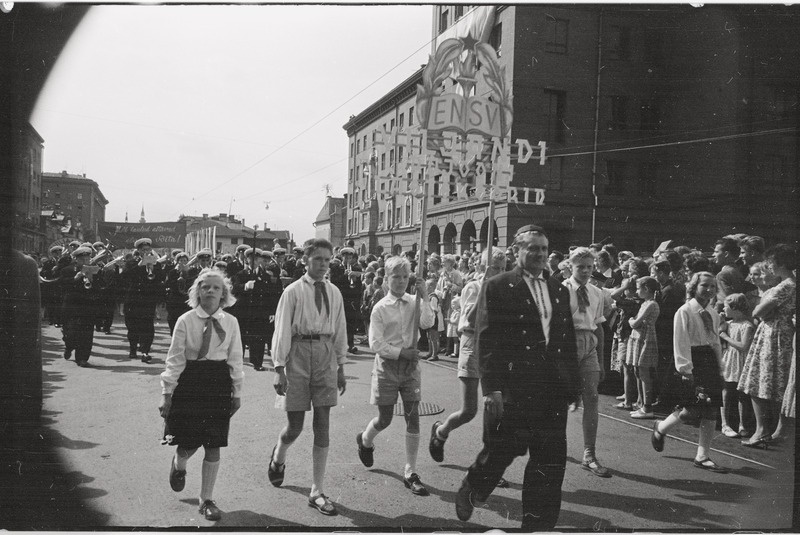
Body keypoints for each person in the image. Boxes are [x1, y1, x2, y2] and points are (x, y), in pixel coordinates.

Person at [454, 225, 581, 530]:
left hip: (551, 389)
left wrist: (573, 386)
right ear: (516, 251)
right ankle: (475, 485)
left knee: (549, 463)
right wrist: (492, 388)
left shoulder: (559, 290)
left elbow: (566, 341)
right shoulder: (498, 286)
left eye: (543, 248)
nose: (540, 254)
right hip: (514, 386)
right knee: (502, 449)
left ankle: (537, 527)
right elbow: (487, 339)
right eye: (532, 248)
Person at [268, 238, 348, 516]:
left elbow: (340, 328)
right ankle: (278, 456)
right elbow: (282, 330)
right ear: (305, 260)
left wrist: (341, 366)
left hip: (325, 354)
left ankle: (317, 491)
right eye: (318, 259)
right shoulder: (292, 291)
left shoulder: (334, 292)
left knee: (323, 424)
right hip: (298, 355)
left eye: (327, 260)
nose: (323, 265)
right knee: (295, 427)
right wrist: (279, 368)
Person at [159, 268, 244, 521]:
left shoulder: (231, 322)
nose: (210, 291)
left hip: (218, 382)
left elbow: (236, 358)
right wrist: (167, 393)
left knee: (214, 443)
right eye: (205, 287)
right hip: (190, 381)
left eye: (216, 288)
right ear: (197, 291)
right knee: (189, 442)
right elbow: (175, 359)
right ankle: (179, 464)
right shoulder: (185, 320)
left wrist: (237, 392)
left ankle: (206, 499)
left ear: (223, 294)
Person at [356, 256, 434, 496]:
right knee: (385, 419)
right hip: (387, 366)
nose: (401, 281)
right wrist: (401, 353)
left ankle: (411, 472)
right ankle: (365, 440)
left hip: (410, 368)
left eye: (405, 277)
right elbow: (376, 343)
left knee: (413, 417)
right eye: (395, 277)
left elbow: (427, 322)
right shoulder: (380, 308)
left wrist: (425, 296)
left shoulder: (414, 301)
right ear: (386, 279)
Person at [428, 248, 507, 465]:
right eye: (495, 268)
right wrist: (486, 289)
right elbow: (471, 319)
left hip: (494, 346)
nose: (500, 273)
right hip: (472, 343)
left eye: (503, 269)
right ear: (483, 267)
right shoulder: (473, 287)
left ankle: (488, 461)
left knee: (495, 406)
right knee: (469, 410)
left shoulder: (505, 289)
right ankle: (441, 432)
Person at [650, 272, 729, 473]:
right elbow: (681, 341)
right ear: (694, 287)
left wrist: (720, 367)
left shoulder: (713, 313)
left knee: (711, 409)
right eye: (704, 285)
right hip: (692, 361)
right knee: (691, 409)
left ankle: (702, 456)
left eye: (712, 286)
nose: (709, 290)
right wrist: (686, 370)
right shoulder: (684, 311)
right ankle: (661, 428)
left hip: (709, 361)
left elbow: (715, 342)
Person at [737, 244, 796, 448]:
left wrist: (761, 311)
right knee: (777, 383)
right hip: (780, 333)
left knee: (759, 381)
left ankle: (761, 431)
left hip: (774, 334)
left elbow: (758, 312)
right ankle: (778, 430)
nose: (769, 266)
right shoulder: (790, 284)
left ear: (780, 264)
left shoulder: (786, 285)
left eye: (771, 262)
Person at [562, 247, 611, 478]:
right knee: (560, 400)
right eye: (580, 267)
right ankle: (554, 446)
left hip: (589, 345)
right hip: (566, 345)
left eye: (589, 267)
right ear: (570, 267)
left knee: (592, 397)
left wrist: (601, 359)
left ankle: (589, 454)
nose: (585, 271)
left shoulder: (597, 292)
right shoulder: (562, 290)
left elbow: (599, 326)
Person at [717, 293, 755, 438]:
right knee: (726, 391)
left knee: (742, 395)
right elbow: (717, 333)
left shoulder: (747, 325)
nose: (723, 309)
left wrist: (726, 336)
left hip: (741, 361)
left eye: (726, 307)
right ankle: (725, 424)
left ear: (735, 308)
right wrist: (721, 322)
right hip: (728, 360)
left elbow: (743, 346)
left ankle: (742, 425)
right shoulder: (728, 324)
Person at [122, 238, 166, 362]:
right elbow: (125, 276)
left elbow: (162, 278)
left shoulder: (156, 263)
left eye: (148, 249)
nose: (146, 252)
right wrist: (140, 265)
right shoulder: (131, 263)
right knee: (132, 326)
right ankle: (133, 349)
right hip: (133, 299)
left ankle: (145, 351)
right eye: (143, 250)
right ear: (139, 251)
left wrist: (154, 269)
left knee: (148, 327)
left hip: (148, 300)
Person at [626, 276, 661, 419]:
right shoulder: (645, 303)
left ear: (646, 289)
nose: (636, 291)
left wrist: (631, 320)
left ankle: (647, 407)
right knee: (639, 371)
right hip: (639, 338)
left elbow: (636, 323)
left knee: (644, 373)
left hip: (645, 338)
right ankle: (642, 404)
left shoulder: (651, 304)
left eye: (638, 288)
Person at [58, 246, 99, 367]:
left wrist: (92, 280)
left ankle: (82, 358)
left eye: (87, 259)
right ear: (76, 259)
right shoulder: (67, 270)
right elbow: (61, 285)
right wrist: (74, 279)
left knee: (86, 334)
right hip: (71, 306)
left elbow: (100, 288)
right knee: (70, 333)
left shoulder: (95, 270)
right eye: (82, 260)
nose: (85, 262)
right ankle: (69, 346)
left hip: (87, 306)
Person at [164, 252, 192, 335]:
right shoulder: (173, 272)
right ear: (177, 262)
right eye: (181, 260)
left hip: (185, 300)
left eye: (185, 260)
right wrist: (177, 277)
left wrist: (186, 274)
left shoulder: (191, 272)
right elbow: (168, 283)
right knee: (173, 320)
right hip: (174, 300)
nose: (183, 262)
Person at [445, 294, 461, 358]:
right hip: (452, 327)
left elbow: (456, 321)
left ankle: (456, 352)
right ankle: (452, 351)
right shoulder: (454, 312)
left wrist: (449, 321)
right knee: (453, 340)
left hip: (455, 328)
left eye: (454, 304)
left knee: (456, 340)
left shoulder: (458, 312)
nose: (452, 306)